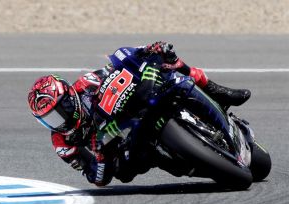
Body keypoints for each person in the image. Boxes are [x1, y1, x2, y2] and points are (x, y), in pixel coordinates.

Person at [27, 41, 251, 187]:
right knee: (124, 172)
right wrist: (100, 156)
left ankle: (219, 93)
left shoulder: (87, 84)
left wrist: (147, 51)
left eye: (59, 112)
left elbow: (119, 66)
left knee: (170, 67)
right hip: (124, 145)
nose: (58, 122)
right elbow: (97, 178)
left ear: (69, 98)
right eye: (48, 120)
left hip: (132, 105)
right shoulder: (62, 142)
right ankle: (188, 160)